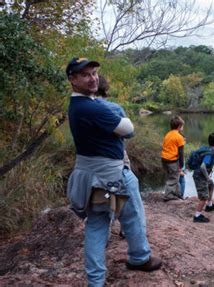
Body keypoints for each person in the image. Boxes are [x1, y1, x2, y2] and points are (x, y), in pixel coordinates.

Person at [65, 57, 162, 286]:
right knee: (132, 216)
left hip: (91, 177)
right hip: (111, 179)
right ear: (73, 79)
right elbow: (128, 130)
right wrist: (118, 116)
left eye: (94, 73)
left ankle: (95, 280)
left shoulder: (77, 106)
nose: (93, 78)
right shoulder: (93, 107)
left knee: (97, 222)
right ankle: (139, 257)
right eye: (86, 74)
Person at [96, 75, 146, 235]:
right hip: (116, 155)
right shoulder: (114, 108)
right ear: (106, 90)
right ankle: (127, 230)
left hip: (92, 159)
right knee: (128, 192)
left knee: (103, 192)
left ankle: (106, 229)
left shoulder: (82, 108)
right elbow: (129, 133)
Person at [161, 116, 186, 201]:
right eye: (182, 126)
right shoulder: (179, 137)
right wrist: (181, 164)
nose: (182, 128)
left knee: (173, 176)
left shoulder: (168, 134)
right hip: (172, 160)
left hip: (164, 159)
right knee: (174, 178)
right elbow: (181, 152)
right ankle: (168, 196)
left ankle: (177, 194)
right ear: (179, 126)